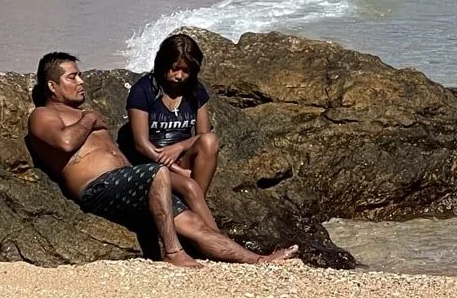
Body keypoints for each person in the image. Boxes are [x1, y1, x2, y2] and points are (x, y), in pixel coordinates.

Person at [26, 52, 292, 266]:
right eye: (72, 77)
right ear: (52, 86)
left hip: (130, 186)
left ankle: (257, 260)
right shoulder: (43, 115)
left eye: (80, 75)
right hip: (97, 188)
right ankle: (173, 252)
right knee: (157, 172)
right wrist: (90, 118)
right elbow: (65, 142)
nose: (81, 81)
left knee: (193, 224)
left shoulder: (80, 114)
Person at [124, 32, 223, 208]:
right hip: (152, 162)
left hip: (183, 159)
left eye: (186, 71)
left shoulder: (196, 90)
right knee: (190, 187)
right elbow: (141, 144)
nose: (179, 76)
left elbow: (203, 136)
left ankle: (193, 206)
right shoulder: (143, 90)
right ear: (163, 64)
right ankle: (197, 210)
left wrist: (178, 147)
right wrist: (179, 171)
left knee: (211, 140)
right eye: (175, 69)